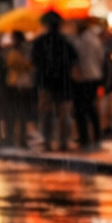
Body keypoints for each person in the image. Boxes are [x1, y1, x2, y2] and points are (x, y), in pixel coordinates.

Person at [31, 10, 76, 151]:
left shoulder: (40, 42)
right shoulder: (65, 41)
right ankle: (63, 141)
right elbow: (73, 59)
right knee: (63, 115)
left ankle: (48, 141)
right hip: (63, 82)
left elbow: (34, 60)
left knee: (47, 113)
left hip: (46, 82)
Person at [70, 18, 106, 147]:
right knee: (91, 107)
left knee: (81, 109)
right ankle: (96, 136)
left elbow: (75, 59)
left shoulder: (79, 41)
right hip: (95, 75)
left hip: (82, 77)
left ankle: (84, 137)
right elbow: (101, 57)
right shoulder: (95, 40)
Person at [3, 34, 35, 147]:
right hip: (17, 85)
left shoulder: (17, 53)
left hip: (20, 85)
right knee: (16, 113)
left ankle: (18, 138)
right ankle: (13, 138)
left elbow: (28, 66)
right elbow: (19, 65)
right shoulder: (14, 53)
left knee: (20, 114)